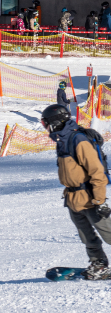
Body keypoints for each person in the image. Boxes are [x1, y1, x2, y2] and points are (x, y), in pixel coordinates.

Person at [41, 104, 111, 280]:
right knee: (86, 236)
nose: (46, 128)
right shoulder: (63, 141)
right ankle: (99, 264)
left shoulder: (78, 140)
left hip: (90, 197)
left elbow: (97, 172)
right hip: (73, 198)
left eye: (46, 123)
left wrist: (100, 200)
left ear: (55, 122)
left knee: (108, 232)